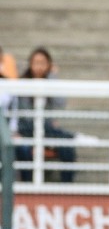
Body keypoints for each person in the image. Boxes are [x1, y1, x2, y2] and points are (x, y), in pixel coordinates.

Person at [13, 47, 78, 183]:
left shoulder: (50, 83)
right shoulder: (22, 84)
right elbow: (25, 115)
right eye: (36, 62)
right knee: (24, 149)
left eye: (43, 63)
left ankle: (67, 187)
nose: (39, 66)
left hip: (47, 131)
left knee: (67, 147)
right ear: (30, 64)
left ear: (48, 65)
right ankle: (27, 187)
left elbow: (61, 103)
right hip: (26, 129)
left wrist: (53, 78)